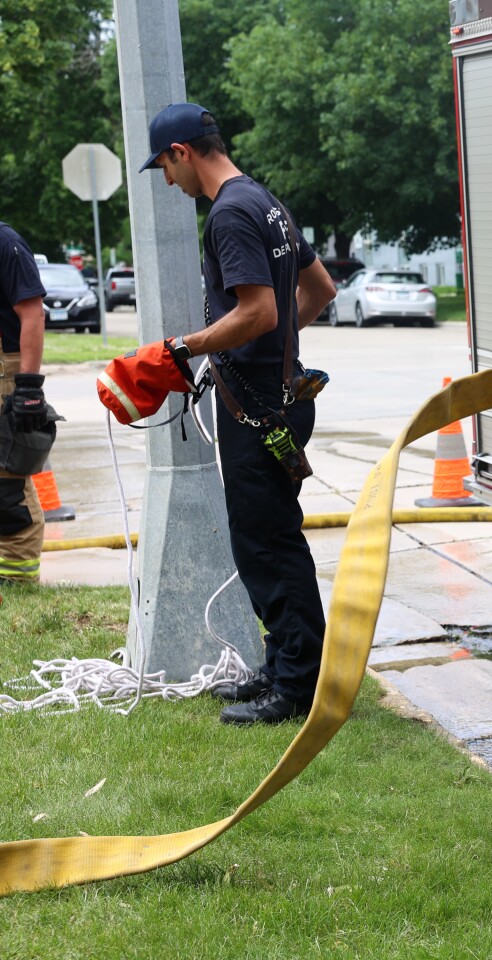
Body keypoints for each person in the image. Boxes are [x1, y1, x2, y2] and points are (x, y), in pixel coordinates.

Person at [138, 102, 336, 724]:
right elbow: (320, 290)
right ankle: (285, 665)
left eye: (164, 167)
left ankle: (298, 686)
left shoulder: (228, 213)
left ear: (182, 152)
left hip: (257, 409)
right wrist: (274, 345)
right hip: (281, 397)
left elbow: (259, 311)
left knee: (266, 546)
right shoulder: (266, 202)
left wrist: (185, 346)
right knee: (269, 540)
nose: (168, 181)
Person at [0, 220, 48, 583]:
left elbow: (32, 313)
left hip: (7, 369)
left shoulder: (6, 244)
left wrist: (28, 386)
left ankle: (17, 572)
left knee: (8, 475)